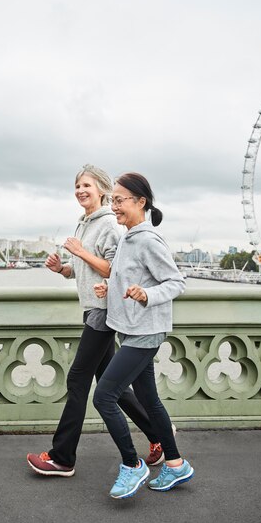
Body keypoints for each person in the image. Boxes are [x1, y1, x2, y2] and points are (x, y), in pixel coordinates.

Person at [27, 165, 166, 477]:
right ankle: (158, 433)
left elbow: (115, 271)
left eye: (86, 185)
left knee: (78, 380)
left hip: (104, 312)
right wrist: (62, 267)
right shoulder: (83, 224)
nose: (80, 190)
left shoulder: (109, 226)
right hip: (92, 309)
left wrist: (80, 252)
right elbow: (82, 269)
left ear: (102, 190)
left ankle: (62, 457)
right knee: (110, 382)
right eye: (77, 185)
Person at [93, 172, 194, 499]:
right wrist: (108, 288)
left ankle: (131, 465)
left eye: (119, 200)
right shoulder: (127, 237)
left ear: (141, 202)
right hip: (132, 330)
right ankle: (176, 465)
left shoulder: (148, 240)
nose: (115, 206)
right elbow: (127, 278)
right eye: (113, 201)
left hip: (144, 333)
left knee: (104, 396)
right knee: (149, 399)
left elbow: (176, 282)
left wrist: (147, 296)